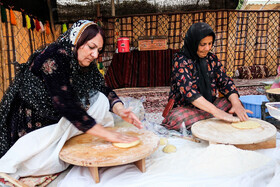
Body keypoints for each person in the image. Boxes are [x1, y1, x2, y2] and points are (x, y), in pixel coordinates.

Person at [0, 20, 141, 178]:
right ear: (77, 40)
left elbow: (102, 87)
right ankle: (51, 146)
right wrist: (108, 135)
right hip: (36, 120)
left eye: (98, 50)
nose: (95, 55)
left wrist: (120, 110)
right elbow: (66, 105)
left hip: (61, 115)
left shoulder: (83, 59)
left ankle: (71, 137)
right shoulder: (53, 58)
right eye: (91, 47)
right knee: (40, 164)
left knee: (100, 99)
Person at [162, 22, 252, 132]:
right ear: (193, 43)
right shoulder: (181, 61)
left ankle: (209, 119)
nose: (207, 48)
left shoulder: (211, 59)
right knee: (175, 119)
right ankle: (215, 118)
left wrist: (236, 104)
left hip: (210, 106)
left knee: (234, 103)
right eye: (202, 44)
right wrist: (217, 112)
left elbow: (225, 82)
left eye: (210, 43)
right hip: (189, 110)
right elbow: (189, 92)